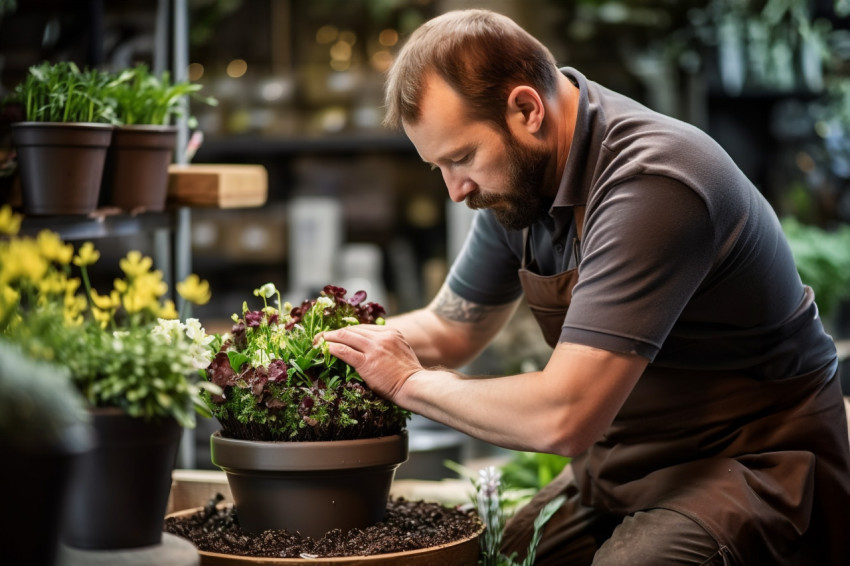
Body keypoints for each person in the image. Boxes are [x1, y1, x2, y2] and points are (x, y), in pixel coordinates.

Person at [322, 9, 850, 565]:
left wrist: (406, 382)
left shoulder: (654, 182)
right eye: (439, 168)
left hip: (752, 465)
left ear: (526, 109)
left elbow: (564, 415)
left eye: (462, 158)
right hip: (622, 468)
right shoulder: (519, 185)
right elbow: (450, 328)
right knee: (491, 556)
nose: (456, 190)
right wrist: (315, 342)